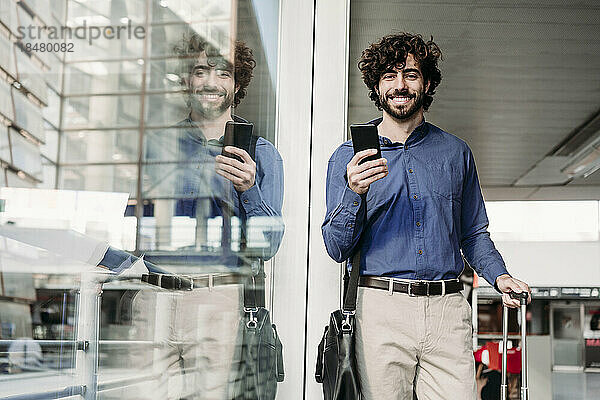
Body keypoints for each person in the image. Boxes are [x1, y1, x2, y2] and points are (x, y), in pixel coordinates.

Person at [321, 32, 531, 399]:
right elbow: (336, 247)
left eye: (411, 74)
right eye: (389, 75)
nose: (399, 85)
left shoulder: (455, 153)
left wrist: (501, 277)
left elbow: (473, 234)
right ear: (376, 85)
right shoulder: (347, 157)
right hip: (380, 310)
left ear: (427, 82)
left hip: (447, 310)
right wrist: (354, 192)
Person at [124, 34, 284, 400]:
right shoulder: (156, 145)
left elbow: (269, 245)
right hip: (154, 295)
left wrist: (249, 189)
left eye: (224, 73)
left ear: (237, 84)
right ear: (186, 80)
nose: (211, 82)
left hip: (219, 297)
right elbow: (131, 222)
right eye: (200, 70)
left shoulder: (262, 154)